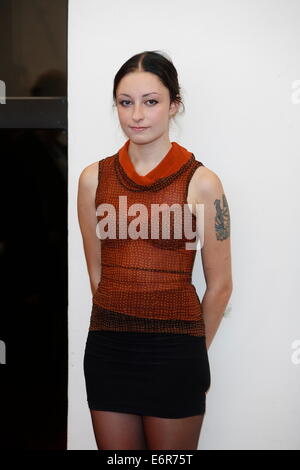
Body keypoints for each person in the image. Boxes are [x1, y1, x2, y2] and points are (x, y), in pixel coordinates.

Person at [77, 50, 233, 450]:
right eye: (125, 103)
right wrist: (123, 320)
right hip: (108, 348)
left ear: (173, 105)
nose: (137, 115)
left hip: (176, 351)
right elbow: (97, 273)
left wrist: (189, 349)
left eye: (151, 102)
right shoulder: (93, 179)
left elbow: (220, 287)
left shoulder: (203, 183)